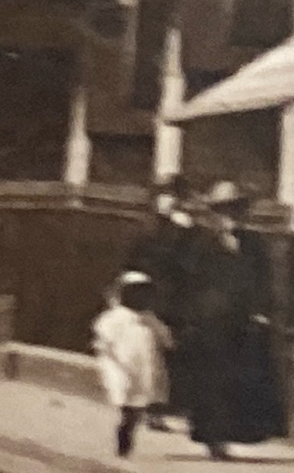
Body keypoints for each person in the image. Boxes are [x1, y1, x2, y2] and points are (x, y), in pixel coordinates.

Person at [176, 180, 284, 461]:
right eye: (224, 210)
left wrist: (262, 311)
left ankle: (228, 434)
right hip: (208, 323)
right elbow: (188, 281)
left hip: (241, 323)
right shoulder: (200, 242)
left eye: (235, 209)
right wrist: (191, 316)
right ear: (214, 212)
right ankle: (213, 439)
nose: (230, 216)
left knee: (236, 381)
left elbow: (264, 280)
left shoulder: (253, 243)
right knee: (210, 382)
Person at [123, 174, 195, 429]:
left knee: (174, 354)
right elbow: (132, 265)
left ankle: (171, 407)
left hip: (177, 299)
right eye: (165, 195)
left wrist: (184, 230)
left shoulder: (184, 229)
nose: (169, 201)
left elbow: (189, 263)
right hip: (151, 298)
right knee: (152, 355)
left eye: (174, 196)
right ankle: (153, 411)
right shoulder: (147, 228)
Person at [94, 271, 174, 458]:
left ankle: (128, 429)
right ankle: (124, 435)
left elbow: (167, 340)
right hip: (122, 367)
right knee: (126, 400)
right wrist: (109, 358)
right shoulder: (114, 317)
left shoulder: (150, 319)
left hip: (144, 367)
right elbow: (103, 340)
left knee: (139, 404)